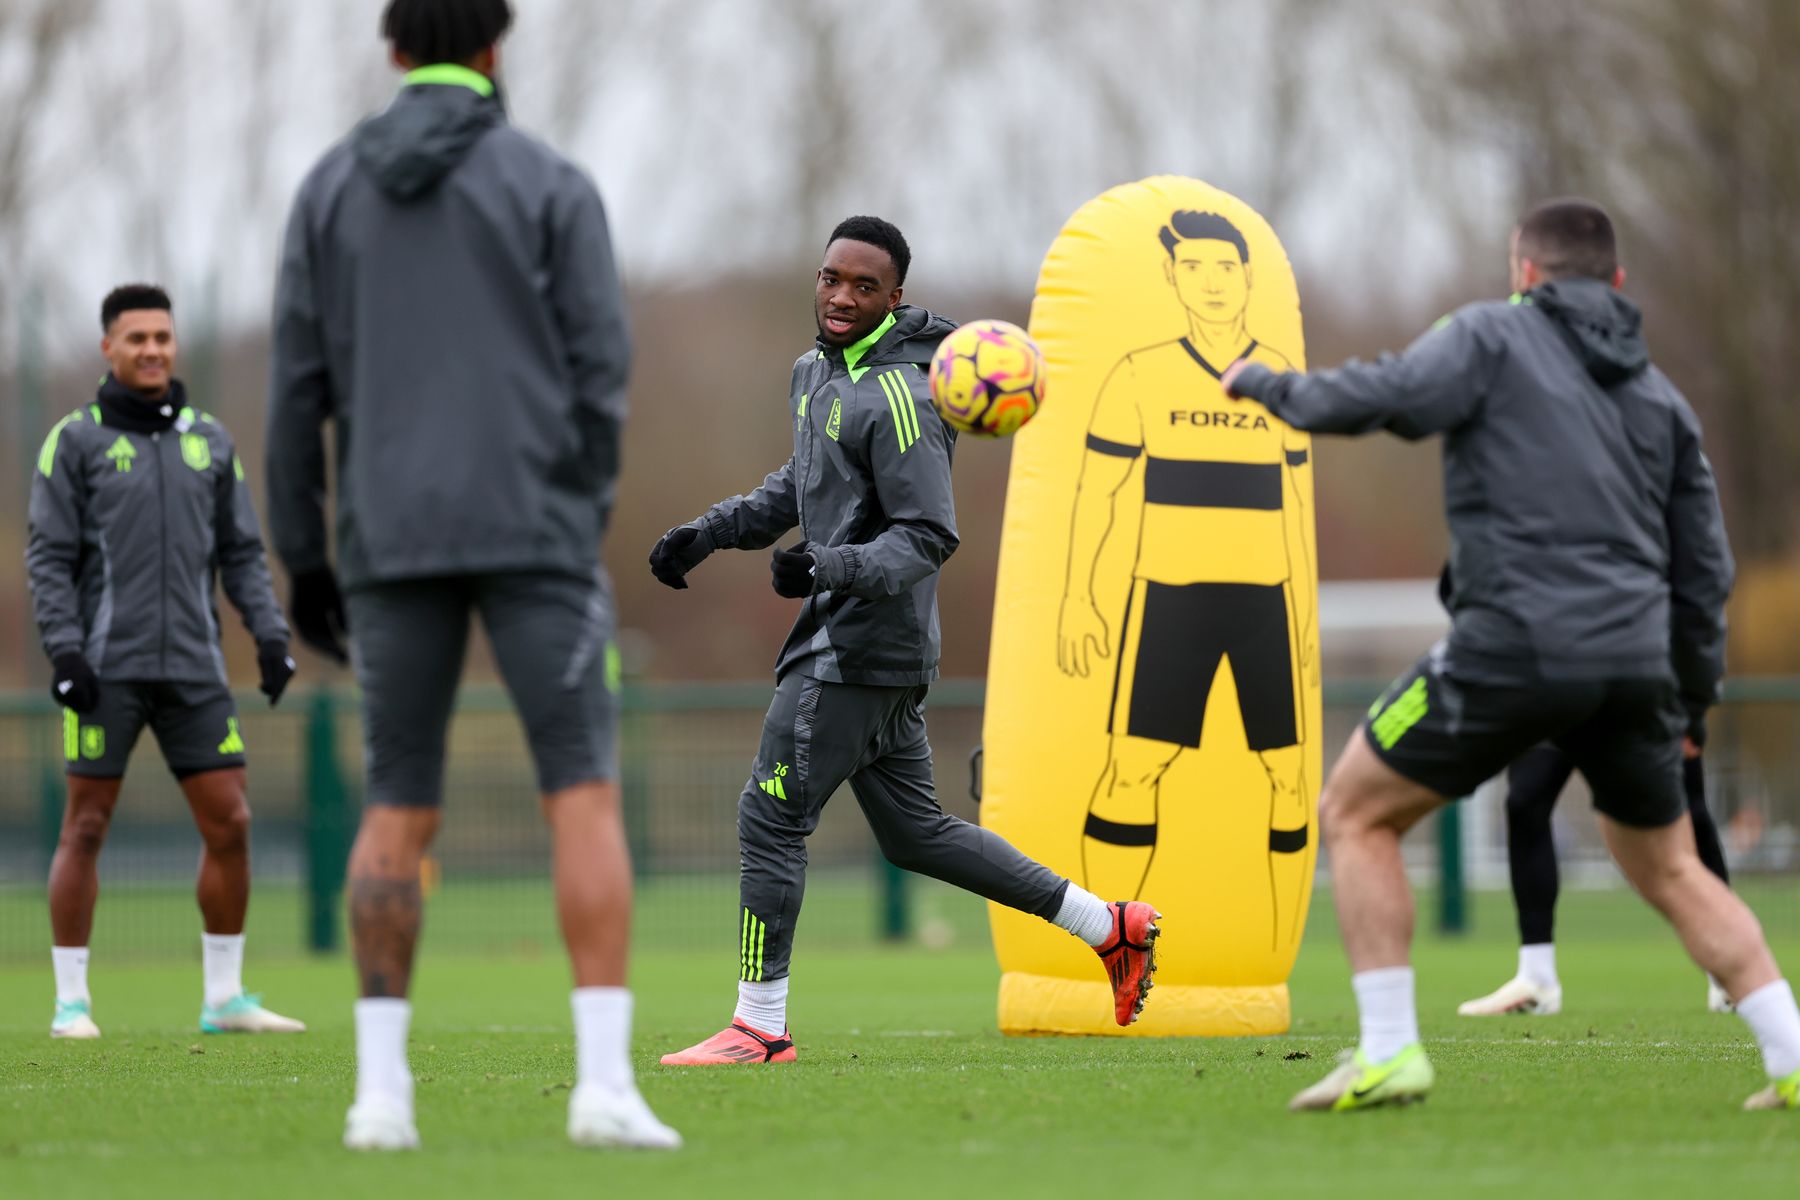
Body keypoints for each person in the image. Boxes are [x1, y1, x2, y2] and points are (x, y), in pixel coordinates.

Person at [1220, 198, 1800, 1113]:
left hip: (1516, 645)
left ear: (1523, 272)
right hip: (1639, 662)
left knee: (1356, 813)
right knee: (1672, 867)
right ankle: (1794, 1056)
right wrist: (1689, 702)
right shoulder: (1661, 398)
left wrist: (1264, 384)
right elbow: (1707, 568)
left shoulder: (1491, 332)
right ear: (1616, 283)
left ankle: (1389, 1052)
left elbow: (1389, 396)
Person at [266, 0, 676, 1151]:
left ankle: (379, 1098)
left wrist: (304, 554)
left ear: (394, 51)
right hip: (535, 528)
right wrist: (576, 504)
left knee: (397, 800)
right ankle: (603, 1088)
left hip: (387, 537)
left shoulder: (326, 191)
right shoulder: (552, 182)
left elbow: (297, 389)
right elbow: (603, 373)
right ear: (495, 48)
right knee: (580, 792)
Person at [651, 216, 1160, 1066]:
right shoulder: (813, 372)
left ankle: (758, 1025)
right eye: (831, 279)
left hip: (861, 645)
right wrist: (709, 532)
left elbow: (927, 535)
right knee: (918, 834)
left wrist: (828, 567)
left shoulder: (905, 394)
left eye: (863, 286)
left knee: (769, 817)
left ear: (895, 297)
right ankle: (1108, 926)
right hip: (852, 637)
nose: (842, 296)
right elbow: (802, 482)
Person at [27, 284, 303, 1041]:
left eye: (162, 336)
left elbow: (242, 551)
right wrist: (66, 651)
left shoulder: (208, 440)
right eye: (136, 337)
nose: (152, 349)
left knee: (233, 823)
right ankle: (71, 1005)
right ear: (108, 348)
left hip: (194, 669)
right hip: (103, 669)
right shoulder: (73, 441)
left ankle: (224, 998)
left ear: (174, 344)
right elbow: (48, 557)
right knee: (84, 827)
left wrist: (270, 635)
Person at [1057, 210, 1313, 952]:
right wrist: (1078, 597)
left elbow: (1296, 502)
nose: (1210, 282)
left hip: (1266, 602)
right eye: (1193, 268)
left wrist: (1303, 617)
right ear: (1173, 278)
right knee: (1132, 769)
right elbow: (1097, 494)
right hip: (1170, 600)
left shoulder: (1278, 380)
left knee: (1290, 777)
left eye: (1224, 268)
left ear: (1247, 277)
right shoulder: (1138, 373)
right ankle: (1113, 942)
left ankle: (1271, 946)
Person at [1458, 738, 1736, 1017]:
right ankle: (1537, 979)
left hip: (1634, 699)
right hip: (1560, 699)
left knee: (1690, 811)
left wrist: (1694, 711)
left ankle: (1729, 974)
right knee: (1525, 799)